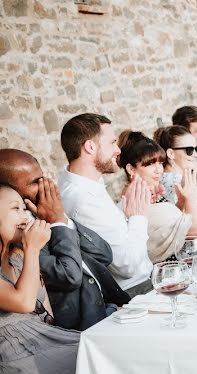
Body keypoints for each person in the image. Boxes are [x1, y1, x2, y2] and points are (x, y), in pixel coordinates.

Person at [0, 150, 130, 331]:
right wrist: (57, 223)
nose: (46, 185)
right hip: (82, 327)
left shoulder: (46, 215)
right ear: (9, 191)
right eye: (36, 182)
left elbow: (104, 254)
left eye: (43, 178)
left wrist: (62, 219)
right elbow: (68, 276)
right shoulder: (18, 237)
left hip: (111, 306)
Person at [0, 183, 80, 374]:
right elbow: (23, 302)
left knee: (106, 351)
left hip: (46, 343)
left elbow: (46, 314)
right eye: (15, 208)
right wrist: (33, 249)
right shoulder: (28, 253)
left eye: (25, 210)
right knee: (105, 365)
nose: (25, 216)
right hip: (17, 366)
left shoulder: (17, 258)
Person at [57, 113, 154, 297]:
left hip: (142, 283)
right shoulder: (84, 199)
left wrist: (129, 206)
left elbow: (105, 233)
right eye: (112, 143)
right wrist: (138, 217)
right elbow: (128, 266)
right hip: (135, 292)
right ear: (90, 147)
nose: (118, 150)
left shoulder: (79, 184)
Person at [118, 132, 197, 263]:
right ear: (131, 169)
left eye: (160, 163)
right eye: (150, 164)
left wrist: (181, 202)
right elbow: (192, 231)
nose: (159, 170)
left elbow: (170, 226)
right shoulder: (134, 202)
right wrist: (191, 197)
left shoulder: (148, 195)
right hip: (165, 274)